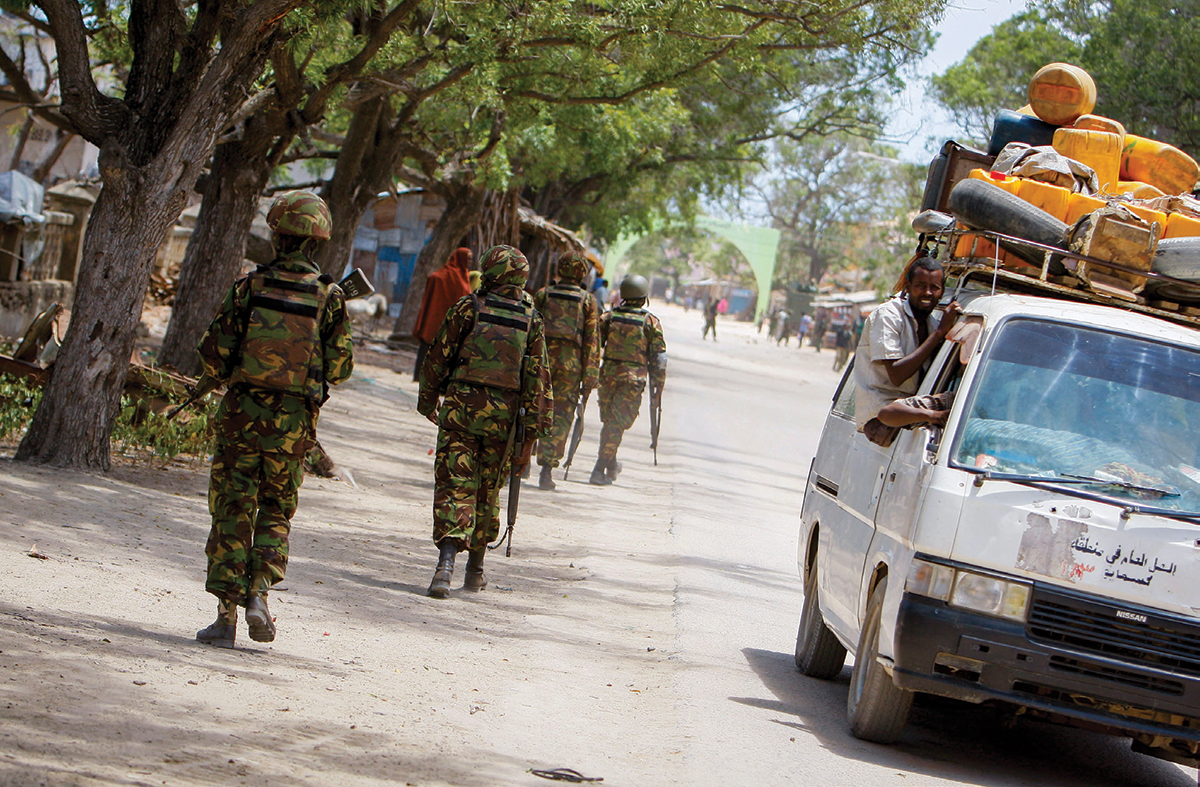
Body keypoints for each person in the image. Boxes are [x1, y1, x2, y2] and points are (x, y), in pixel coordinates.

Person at [195, 190, 354, 649]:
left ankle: (224, 618)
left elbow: (214, 353)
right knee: (275, 510)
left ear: (277, 235)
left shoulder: (250, 287)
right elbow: (341, 369)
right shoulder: (330, 296)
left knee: (231, 509)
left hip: (241, 419)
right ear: (317, 242)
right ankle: (259, 596)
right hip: (292, 427)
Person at [417, 245, 551, 598]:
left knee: (454, 484)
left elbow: (438, 354)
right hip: (504, 424)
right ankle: (474, 570)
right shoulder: (531, 319)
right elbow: (538, 381)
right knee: (487, 492)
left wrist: (428, 399)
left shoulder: (468, 306)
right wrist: (531, 438)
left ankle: (444, 567)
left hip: (461, 413)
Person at [853, 255, 962, 446]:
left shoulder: (932, 324)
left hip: (908, 420)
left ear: (942, 291)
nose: (927, 292)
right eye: (920, 286)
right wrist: (938, 334)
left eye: (934, 287)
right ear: (908, 287)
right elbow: (896, 374)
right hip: (879, 420)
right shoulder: (888, 315)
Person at [533, 250, 601, 491]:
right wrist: (590, 378)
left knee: (530, 410)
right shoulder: (588, 301)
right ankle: (546, 471)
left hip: (539, 364)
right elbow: (592, 342)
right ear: (582, 272)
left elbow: (530, 328)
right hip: (570, 371)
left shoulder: (543, 294)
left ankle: (517, 465)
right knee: (560, 417)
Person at [590, 274, 667, 485]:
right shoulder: (650, 322)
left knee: (610, 423)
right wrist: (658, 386)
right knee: (615, 424)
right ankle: (599, 469)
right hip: (632, 381)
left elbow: (594, 346)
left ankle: (611, 464)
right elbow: (659, 359)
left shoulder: (608, 318)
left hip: (608, 377)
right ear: (644, 297)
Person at [411, 247, 473, 381]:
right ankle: (420, 376)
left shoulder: (463, 276)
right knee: (430, 348)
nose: (469, 261)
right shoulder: (448, 276)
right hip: (440, 318)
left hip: (442, 320)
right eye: (468, 258)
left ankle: (426, 377)